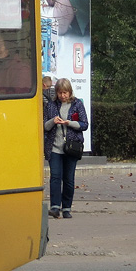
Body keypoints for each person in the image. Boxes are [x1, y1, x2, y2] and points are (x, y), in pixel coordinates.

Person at [43, 78, 89, 219]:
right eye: (60, 93)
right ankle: (55, 207)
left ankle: (67, 208)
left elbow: (84, 124)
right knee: (55, 177)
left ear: (70, 92)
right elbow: (44, 126)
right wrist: (53, 121)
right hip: (55, 147)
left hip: (71, 147)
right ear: (56, 93)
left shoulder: (77, 104)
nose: (63, 95)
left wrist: (70, 123)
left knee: (69, 179)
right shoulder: (51, 105)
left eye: (65, 93)